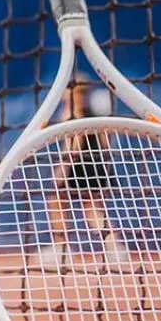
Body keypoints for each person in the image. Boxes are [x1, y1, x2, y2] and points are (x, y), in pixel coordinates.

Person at [40, 80, 126, 267]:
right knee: (92, 207)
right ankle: (114, 248)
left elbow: (74, 144)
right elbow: (105, 141)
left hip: (78, 165)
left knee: (57, 201)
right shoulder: (93, 114)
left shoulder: (72, 113)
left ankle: (61, 249)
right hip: (96, 164)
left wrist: (63, 169)